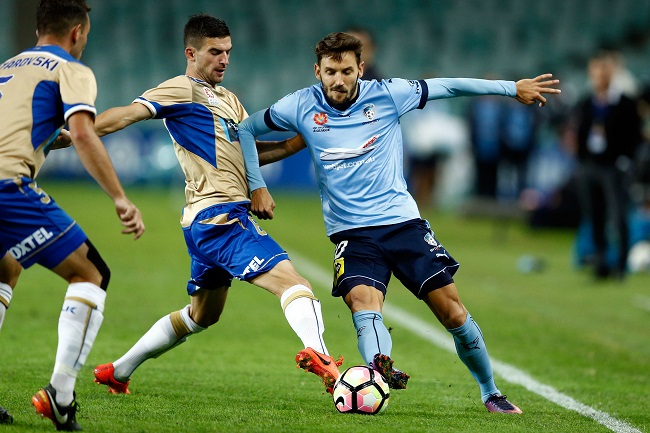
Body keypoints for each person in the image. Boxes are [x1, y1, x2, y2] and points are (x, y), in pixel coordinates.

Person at [238, 31, 561, 414]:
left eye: (345, 70)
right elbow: (245, 129)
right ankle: (378, 368)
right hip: (352, 233)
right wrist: (256, 187)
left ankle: (490, 391)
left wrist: (512, 89)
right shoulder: (299, 105)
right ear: (317, 71)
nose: (337, 80)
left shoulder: (388, 93)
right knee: (362, 302)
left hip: (402, 224)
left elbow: (449, 87)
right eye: (329, 72)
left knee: (453, 312)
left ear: (361, 68)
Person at [88, 14, 342, 398]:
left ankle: (118, 371)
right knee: (294, 283)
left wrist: (299, 140)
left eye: (228, 52)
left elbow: (249, 154)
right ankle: (325, 362)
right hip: (220, 216)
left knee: (202, 315)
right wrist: (73, 132)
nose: (223, 59)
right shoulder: (182, 89)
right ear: (191, 53)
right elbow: (124, 115)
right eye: (214, 52)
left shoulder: (229, 100)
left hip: (204, 223)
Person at [0, 0, 145, 430]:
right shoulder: (71, 68)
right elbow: (83, 132)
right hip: (8, 188)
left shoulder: (7, 66)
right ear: (78, 33)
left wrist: (48, 137)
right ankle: (61, 394)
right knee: (92, 273)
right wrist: (120, 198)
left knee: (5, 271)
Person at [573, 50, 641, 280]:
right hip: (591, 166)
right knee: (595, 216)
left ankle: (621, 265)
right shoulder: (587, 103)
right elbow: (580, 134)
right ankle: (601, 263)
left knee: (618, 215)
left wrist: (625, 160)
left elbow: (635, 135)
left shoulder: (625, 103)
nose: (598, 76)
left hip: (614, 166)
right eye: (595, 72)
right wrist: (582, 161)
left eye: (603, 71)